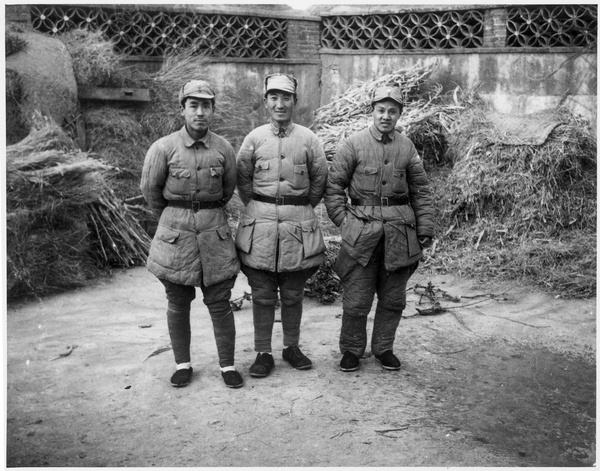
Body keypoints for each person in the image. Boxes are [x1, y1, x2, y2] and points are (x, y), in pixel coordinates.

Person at [140, 79, 243, 389]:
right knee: (177, 300)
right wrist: (176, 215)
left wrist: (205, 211)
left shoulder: (224, 148)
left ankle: (227, 365)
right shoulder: (163, 147)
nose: (200, 112)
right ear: (182, 109)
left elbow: (227, 190)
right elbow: (150, 191)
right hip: (176, 233)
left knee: (219, 300)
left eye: (206, 106)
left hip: (214, 233)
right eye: (193, 106)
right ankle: (182, 364)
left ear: (213, 110)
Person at [324, 86, 434, 372]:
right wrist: (345, 223)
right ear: (371, 111)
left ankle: (384, 348)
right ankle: (351, 350)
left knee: (393, 298)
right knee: (357, 298)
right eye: (381, 110)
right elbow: (334, 187)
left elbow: (421, 191)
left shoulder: (407, 146)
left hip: (400, 233)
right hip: (362, 233)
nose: (386, 116)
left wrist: (425, 228)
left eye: (392, 111)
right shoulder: (353, 144)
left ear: (399, 114)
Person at [235, 73, 328, 378]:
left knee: (293, 293)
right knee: (261, 293)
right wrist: (264, 207)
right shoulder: (254, 139)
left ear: (295, 102)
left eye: (286, 97)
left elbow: (318, 183)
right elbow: (243, 182)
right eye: (273, 97)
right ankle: (263, 352)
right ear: (266, 102)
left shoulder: (309, 139)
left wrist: (296, 210)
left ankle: (291, 346)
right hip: (259, 226)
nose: (279, 104)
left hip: (297, 224)